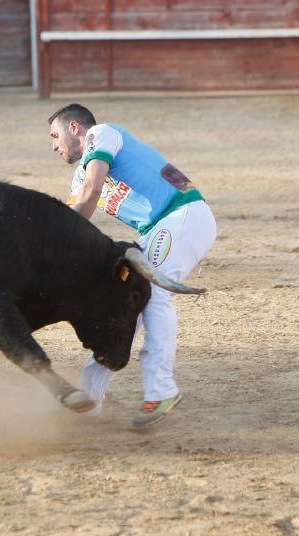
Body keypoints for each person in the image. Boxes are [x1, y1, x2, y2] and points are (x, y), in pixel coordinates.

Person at [47, 103, 217, 428]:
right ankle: (89, 396)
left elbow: (93, 192)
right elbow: (70, 221)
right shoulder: (80, 176)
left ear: (74, 128)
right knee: (126, 304)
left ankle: (162, 390)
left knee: (153, 293)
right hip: (159, 227)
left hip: (183, 214)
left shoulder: (102, 133)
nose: (53, 146)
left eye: (55, 135)